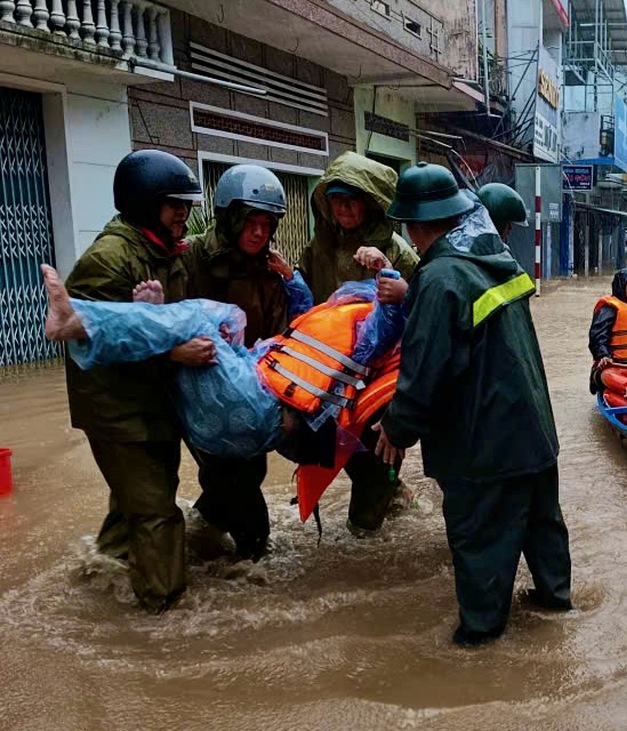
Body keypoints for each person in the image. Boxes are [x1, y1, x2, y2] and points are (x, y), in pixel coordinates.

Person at [372, 162, 572, 646]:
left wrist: (395, 429)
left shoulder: (441, 278)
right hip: (534, 436)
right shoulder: (495, 259)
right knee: (542, 531)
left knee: (481, 544)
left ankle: (479, 652)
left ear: (415, 225)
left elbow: (424, 375)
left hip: (486, 449)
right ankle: (557, 611)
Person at [42, 264, 404, 469]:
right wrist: (290, 277)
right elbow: (302, 323)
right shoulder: (341, 324)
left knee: (204, 320)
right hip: (234, 415)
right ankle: (152, 318)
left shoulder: (373, 331)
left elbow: (384, 333)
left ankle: (80, 322)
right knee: (227, 321)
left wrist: (389, 280)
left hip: (256, 409)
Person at [63, 149, 204, 613]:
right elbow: (92, 338)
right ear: (145, 203)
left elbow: (176, 319)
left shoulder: (165, 250)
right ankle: (163, 612)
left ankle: (100, 570)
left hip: (153, 398)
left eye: (186, 205)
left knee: (137, 501)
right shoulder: (109, 259)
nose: (183, 214)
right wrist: (170, 347)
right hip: (116, 407)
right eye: (174, 205)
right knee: (156, 512)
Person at [296, 151, 418, 536]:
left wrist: (387, 270)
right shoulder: (317, 250)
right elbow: (304, 304)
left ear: (369, 203)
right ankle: (394, 495)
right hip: (333, 375)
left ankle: (368, 528)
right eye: (336, 198)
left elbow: (428, 306)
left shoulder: (398, 249)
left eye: (351, 198)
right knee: (342, 451)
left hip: (382, 381)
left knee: (376, 460)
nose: (343, 207)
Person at [180, 164, 293, 561]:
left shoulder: (271, 272)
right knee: (235, 481)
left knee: (248, 472)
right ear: (229, 218)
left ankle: (198, 537)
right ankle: (246, 562)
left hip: (247, 394)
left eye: (267, 224)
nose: (259, 232)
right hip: (196, 393)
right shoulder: (190, 257)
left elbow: (280, 339)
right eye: (251, 222)